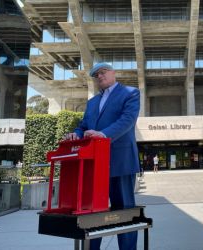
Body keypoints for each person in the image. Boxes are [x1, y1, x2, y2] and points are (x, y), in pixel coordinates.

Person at [65, 62, 140, 250]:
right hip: (93, 164)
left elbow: (127, 120)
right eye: (96, 74)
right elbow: (83, 126)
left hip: (120, 161)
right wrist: (76, 134)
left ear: (113, 73)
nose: (100, 76)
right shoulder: (91, 102)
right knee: (92, 212)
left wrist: (104, 135)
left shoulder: (130, 93)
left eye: (103, 71)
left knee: (125, 212)